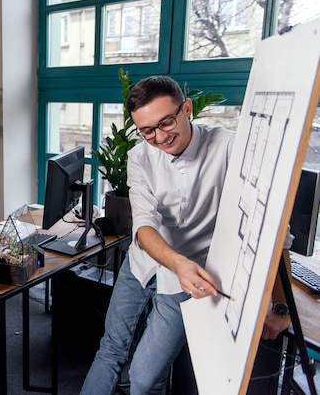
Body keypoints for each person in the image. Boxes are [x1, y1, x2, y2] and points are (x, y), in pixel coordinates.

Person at [80, 76, 292, 394]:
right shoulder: (139, 156)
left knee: (145, 377)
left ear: (187, 108)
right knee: (110, 351)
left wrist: (281, 305)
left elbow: (273, 230)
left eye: (166, 122)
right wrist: (176, 263)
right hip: (141, 266)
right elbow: (144, 226)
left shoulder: (230, 147)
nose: (160, 137)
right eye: (147, 131)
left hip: (187, 280)